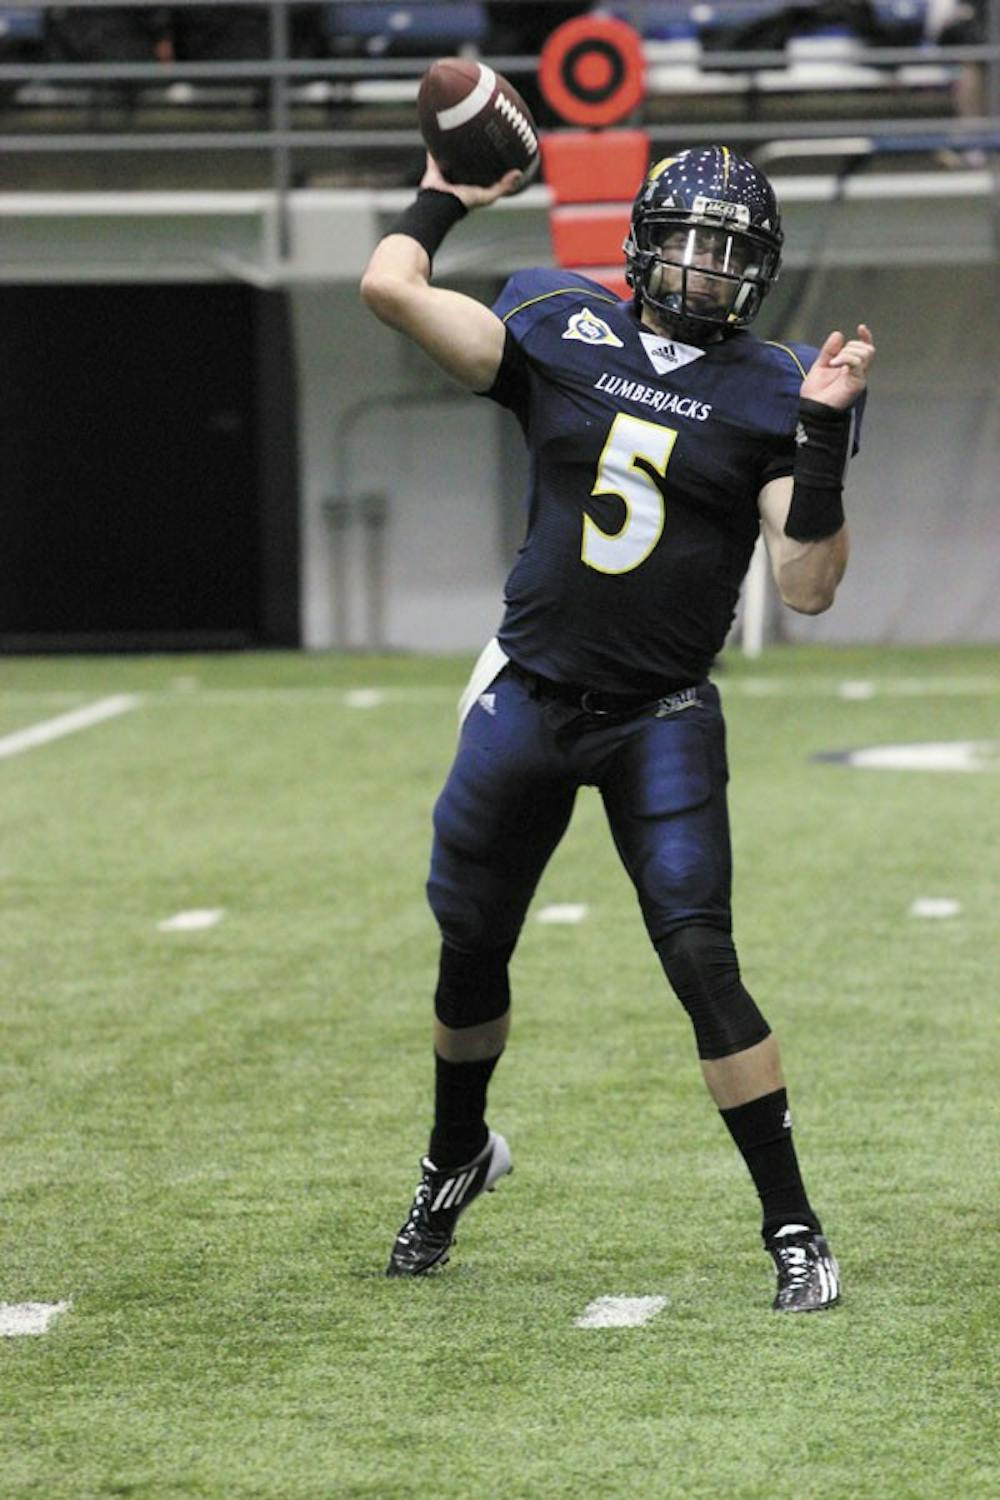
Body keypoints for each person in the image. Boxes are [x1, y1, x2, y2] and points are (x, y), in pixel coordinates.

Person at [361, 144, 875, 1311]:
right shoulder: (554, 316)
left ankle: (793, 1226)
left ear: (760, 272)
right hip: (529, 696)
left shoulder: (778, 383)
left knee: (702, 958)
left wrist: (826, 437)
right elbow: (390, 290)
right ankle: (455, 1159)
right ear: (642, 241)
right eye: (686, 241)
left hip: (660, 714)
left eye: (728, 253)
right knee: (469, 947)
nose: (702, 270)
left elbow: (806, 585)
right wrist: (446, 193)